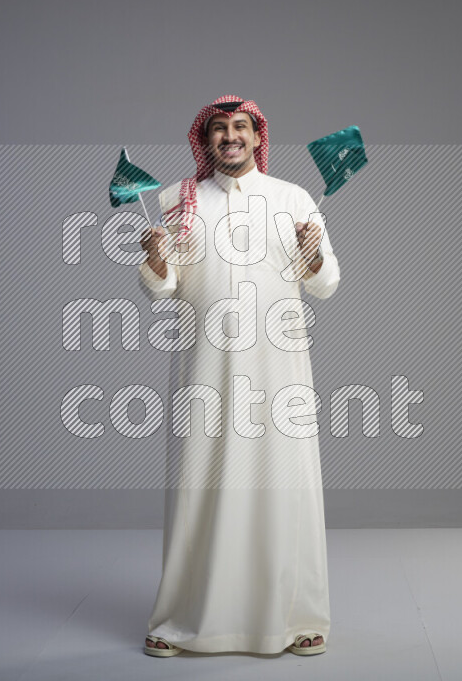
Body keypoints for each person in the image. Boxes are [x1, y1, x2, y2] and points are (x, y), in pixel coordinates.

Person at [137, 94, 340, 657]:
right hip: (206, 369)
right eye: (220, 129)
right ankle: (181, 618)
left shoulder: (295, 198)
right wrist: (154, 260)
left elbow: (327, 284)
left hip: (280, 372)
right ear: (205, 141)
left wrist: (314, 253)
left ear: (257, 138)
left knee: (284, 485)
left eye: (242, 128)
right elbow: (162, 287)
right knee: (200, 485)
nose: (231, 136)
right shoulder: (176, 201)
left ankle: (298, 617)